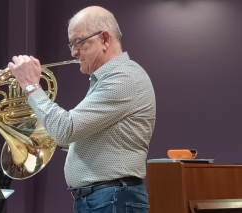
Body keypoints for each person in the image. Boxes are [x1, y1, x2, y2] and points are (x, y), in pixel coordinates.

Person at [8, 6, 156, 213]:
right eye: (71, 44)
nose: (73, 52)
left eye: (79, 42)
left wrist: (31, 86)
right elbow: (80, 136)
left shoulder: (123, 78)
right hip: (103, 197)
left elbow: (65, 130)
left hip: (112, 198)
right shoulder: (106, 79)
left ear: (104, 39)